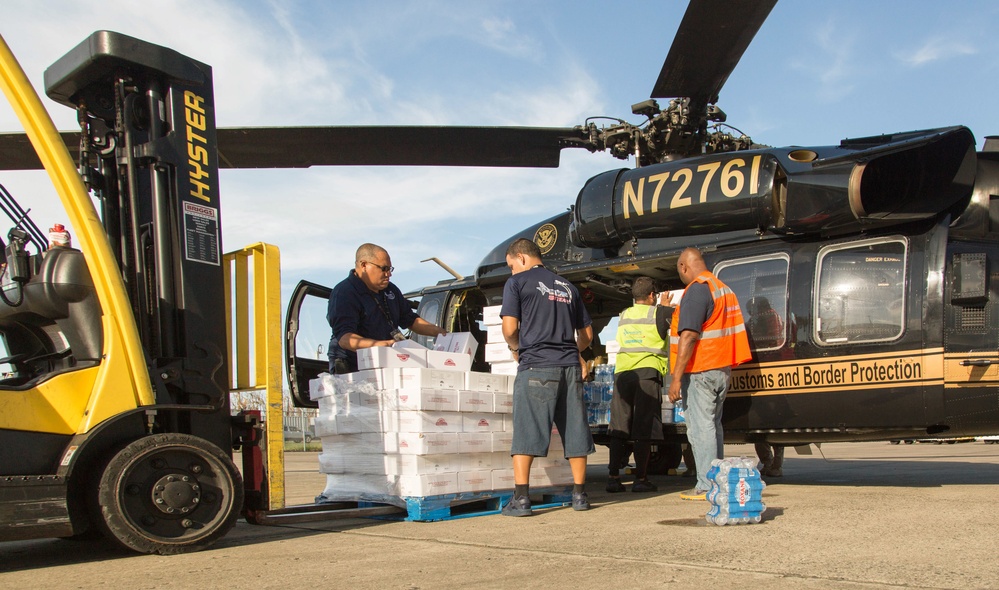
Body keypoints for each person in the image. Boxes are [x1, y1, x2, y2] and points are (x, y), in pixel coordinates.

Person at [499, 238, 595, 516]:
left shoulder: (516, 284)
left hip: (537, 366)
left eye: (511, 266)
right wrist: (571, 351)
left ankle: (521, 499)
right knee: (575, 430)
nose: (511, 272)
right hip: (570, 368)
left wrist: (516, 347)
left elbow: (509, 328)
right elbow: (587, 335)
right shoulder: (568, 287)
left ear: (522, 258)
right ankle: (579, 495)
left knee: (527, 430)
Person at [666, 247, 752, 501]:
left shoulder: (696, 289)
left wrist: (676, 378)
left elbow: (689, 335)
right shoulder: (723, 289)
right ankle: (718, 480)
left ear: (683, 267)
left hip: (701, 370)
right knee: (713, 427)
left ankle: (707, 485)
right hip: (721, 369)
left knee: (701, 429)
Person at [327, 243, 446, 374]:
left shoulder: (391, 290)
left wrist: (441, 332)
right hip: (353, 366)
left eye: (390, 269)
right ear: (364, 265)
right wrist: (383, 345)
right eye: (384, 269)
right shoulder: (345, 292)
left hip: (386, 361)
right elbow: (346, 339)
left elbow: (410, 320)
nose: (388, 274)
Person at [606, 276, 671, 493]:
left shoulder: (624, 315)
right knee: (643, 429)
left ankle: (613, 478)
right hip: (646, 375)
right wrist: (666, 308)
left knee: (619, 428)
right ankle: (640, 479)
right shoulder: (659, 313)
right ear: (652, 295)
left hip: (623, 374)